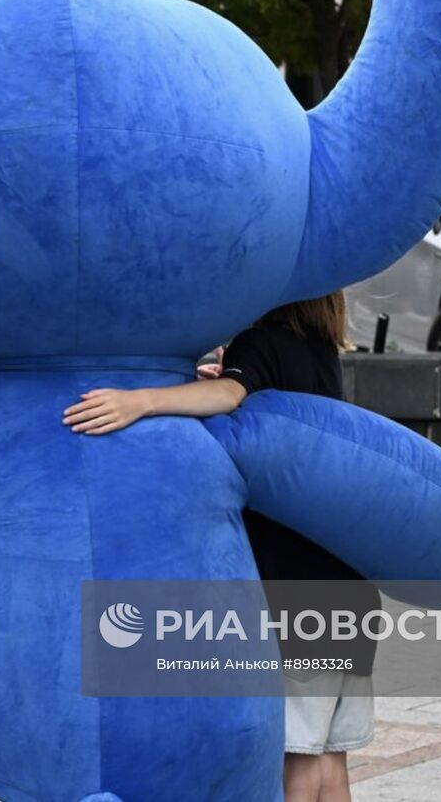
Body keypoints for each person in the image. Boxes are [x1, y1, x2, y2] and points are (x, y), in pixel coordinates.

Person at [63, 294, 375, 802]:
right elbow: (260, 403)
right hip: (347, 581)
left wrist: (139, 400)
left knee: (295, 757)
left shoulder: (262, 341)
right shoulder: (321, 347)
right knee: (329, 759)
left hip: (295, 588)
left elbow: (230, 395)